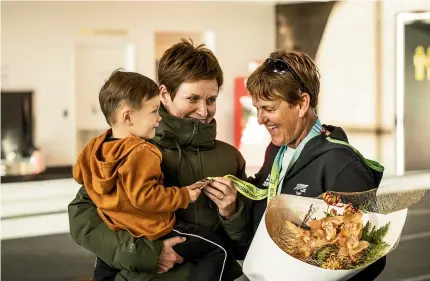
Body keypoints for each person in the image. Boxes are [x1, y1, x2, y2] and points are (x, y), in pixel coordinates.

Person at [68, 39, 252, 281]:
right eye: (193, 99)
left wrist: (232, 213)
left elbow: (243, 246)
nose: (204, 111)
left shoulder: (230, 158)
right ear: (164, 94)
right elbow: (81, 216)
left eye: (211, 100)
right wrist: (146, 254)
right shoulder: (131, 150)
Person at [244, 50, 385, 280]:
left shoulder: (342, 164)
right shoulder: (274, 152)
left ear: (301, 103)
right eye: (257, 108)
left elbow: (371, 256)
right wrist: (231, 210)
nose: (260, 119)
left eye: (269, 109)